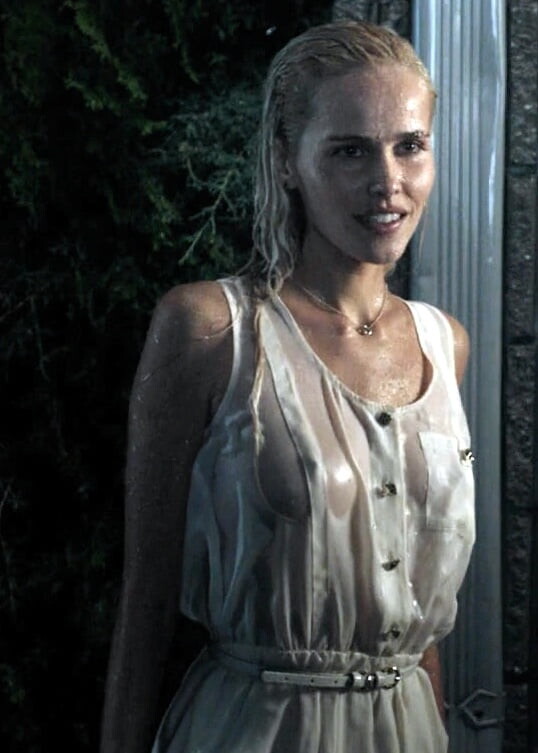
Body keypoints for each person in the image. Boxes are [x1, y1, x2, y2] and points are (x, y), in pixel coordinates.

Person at [100, 19, 475, 753]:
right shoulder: (210, 330)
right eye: (349, 150)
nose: (388, 182)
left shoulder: (445, 344)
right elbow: (145, 606)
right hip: (252, 731)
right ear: (287, 162)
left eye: (410, 145)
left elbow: (420, 622)